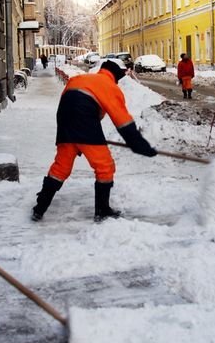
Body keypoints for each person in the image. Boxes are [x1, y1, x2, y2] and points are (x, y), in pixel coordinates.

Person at [32, 60, 157, 222]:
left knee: (61, 166)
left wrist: (78, 134)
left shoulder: (79, 79)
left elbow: (69, 104)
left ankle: (39, 208)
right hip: (83, 123)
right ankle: (102, 210)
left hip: (64, 122)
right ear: (116, 76)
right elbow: (123, 121)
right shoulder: (110, 87)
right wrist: (139, 144)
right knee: (105, 166)